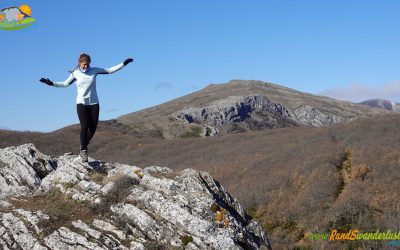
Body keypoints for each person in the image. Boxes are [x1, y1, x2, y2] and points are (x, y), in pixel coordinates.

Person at [39, 53, 134, 163]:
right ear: (80, 63)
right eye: (84, 64)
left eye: (87, 64)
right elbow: (65, 84)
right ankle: (84, 151)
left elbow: (109, 70)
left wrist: (124, 64)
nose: (86, 66)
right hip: (81, 104)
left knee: (93, 129)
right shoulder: (75, 74)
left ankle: (82, 146)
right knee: (84, 126)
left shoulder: (94, 70)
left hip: (94, 103)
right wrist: (51, 83)